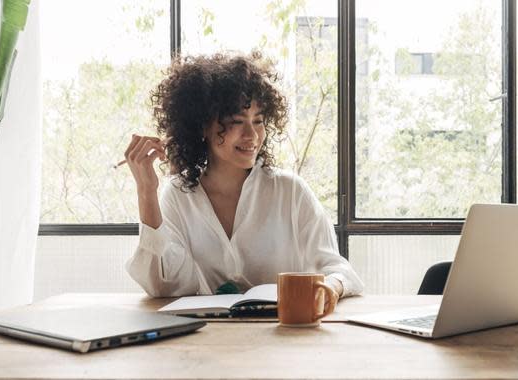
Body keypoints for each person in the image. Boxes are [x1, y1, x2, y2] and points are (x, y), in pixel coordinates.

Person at [124, 52, 364, 314]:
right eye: (237, 122)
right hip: (205, 341)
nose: (252, 135)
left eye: (258, 121)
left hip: (283, 339)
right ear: (203, 126)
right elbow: (162, 287)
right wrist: (146, 191)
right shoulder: (178, 194)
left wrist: (331, 288)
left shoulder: (290, 192)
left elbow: (339, 270)